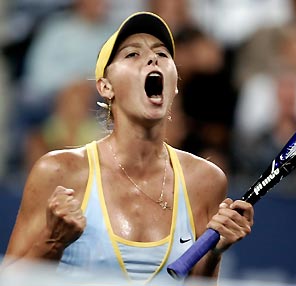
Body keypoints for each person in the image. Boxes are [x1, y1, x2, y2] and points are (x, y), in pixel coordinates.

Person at [2, 12, 254, 285]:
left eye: (162, 54)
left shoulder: (206, 180)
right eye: (132, 54)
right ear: (105, 87)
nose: (152, 58)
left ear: (175, 85)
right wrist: (53, 241)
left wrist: (214, 254)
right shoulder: (59, 171)